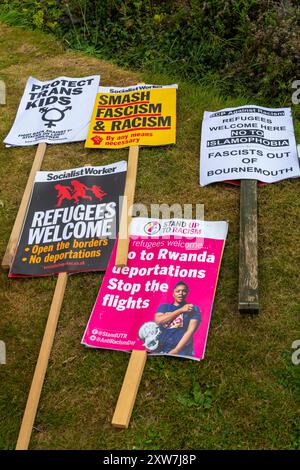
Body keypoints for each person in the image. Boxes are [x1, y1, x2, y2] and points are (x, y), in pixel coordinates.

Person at [154, 281, 201, 357]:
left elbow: (190, 331)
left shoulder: (193, 308)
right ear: (173, 294)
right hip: (161, 347)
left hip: (182, 350)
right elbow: (158, 321)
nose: (181, 293)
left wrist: (176, 350)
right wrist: (180, 310)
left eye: (184, 291)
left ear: (187, 293)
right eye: (178, 291)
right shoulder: (164, 307)